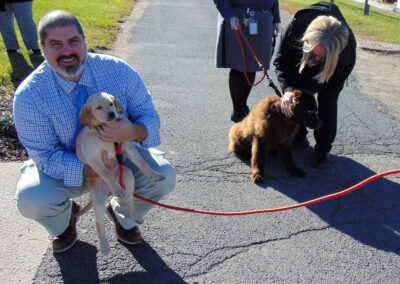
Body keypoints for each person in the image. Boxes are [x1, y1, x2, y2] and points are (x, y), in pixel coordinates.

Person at [13, 10, 176, 253]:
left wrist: (132, 131)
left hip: (118, 157)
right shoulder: (29, 96)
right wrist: (99, 171)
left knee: (164, 176)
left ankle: (123, 215)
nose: (67, 51)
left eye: (73, 41)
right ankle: (64, 221)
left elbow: (149, 116)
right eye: (56, 44)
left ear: (84, 39)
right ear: (42, 47)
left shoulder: (118, 71)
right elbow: (46, 157)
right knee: (31, 199)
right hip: (67, 168)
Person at [273, 1, 356, 168]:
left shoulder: (346, 51)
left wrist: (322, 68)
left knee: (328, 101)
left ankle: (323, 147)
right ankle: (297, 134)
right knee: (297, 94)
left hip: (334, 68)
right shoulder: (297, 26)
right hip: (299, 60)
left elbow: (329, 91)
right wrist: (288, 89)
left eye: (321, 57)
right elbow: (281, 61)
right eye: (314, 54)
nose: (316, 60)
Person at [214, 0, 280, 122]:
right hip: (238, 20)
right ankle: (237, 110)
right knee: (239, 65)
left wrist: (276, 19)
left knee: (253, 65)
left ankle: (243, 105)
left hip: (262, 23)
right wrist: (229, 15)